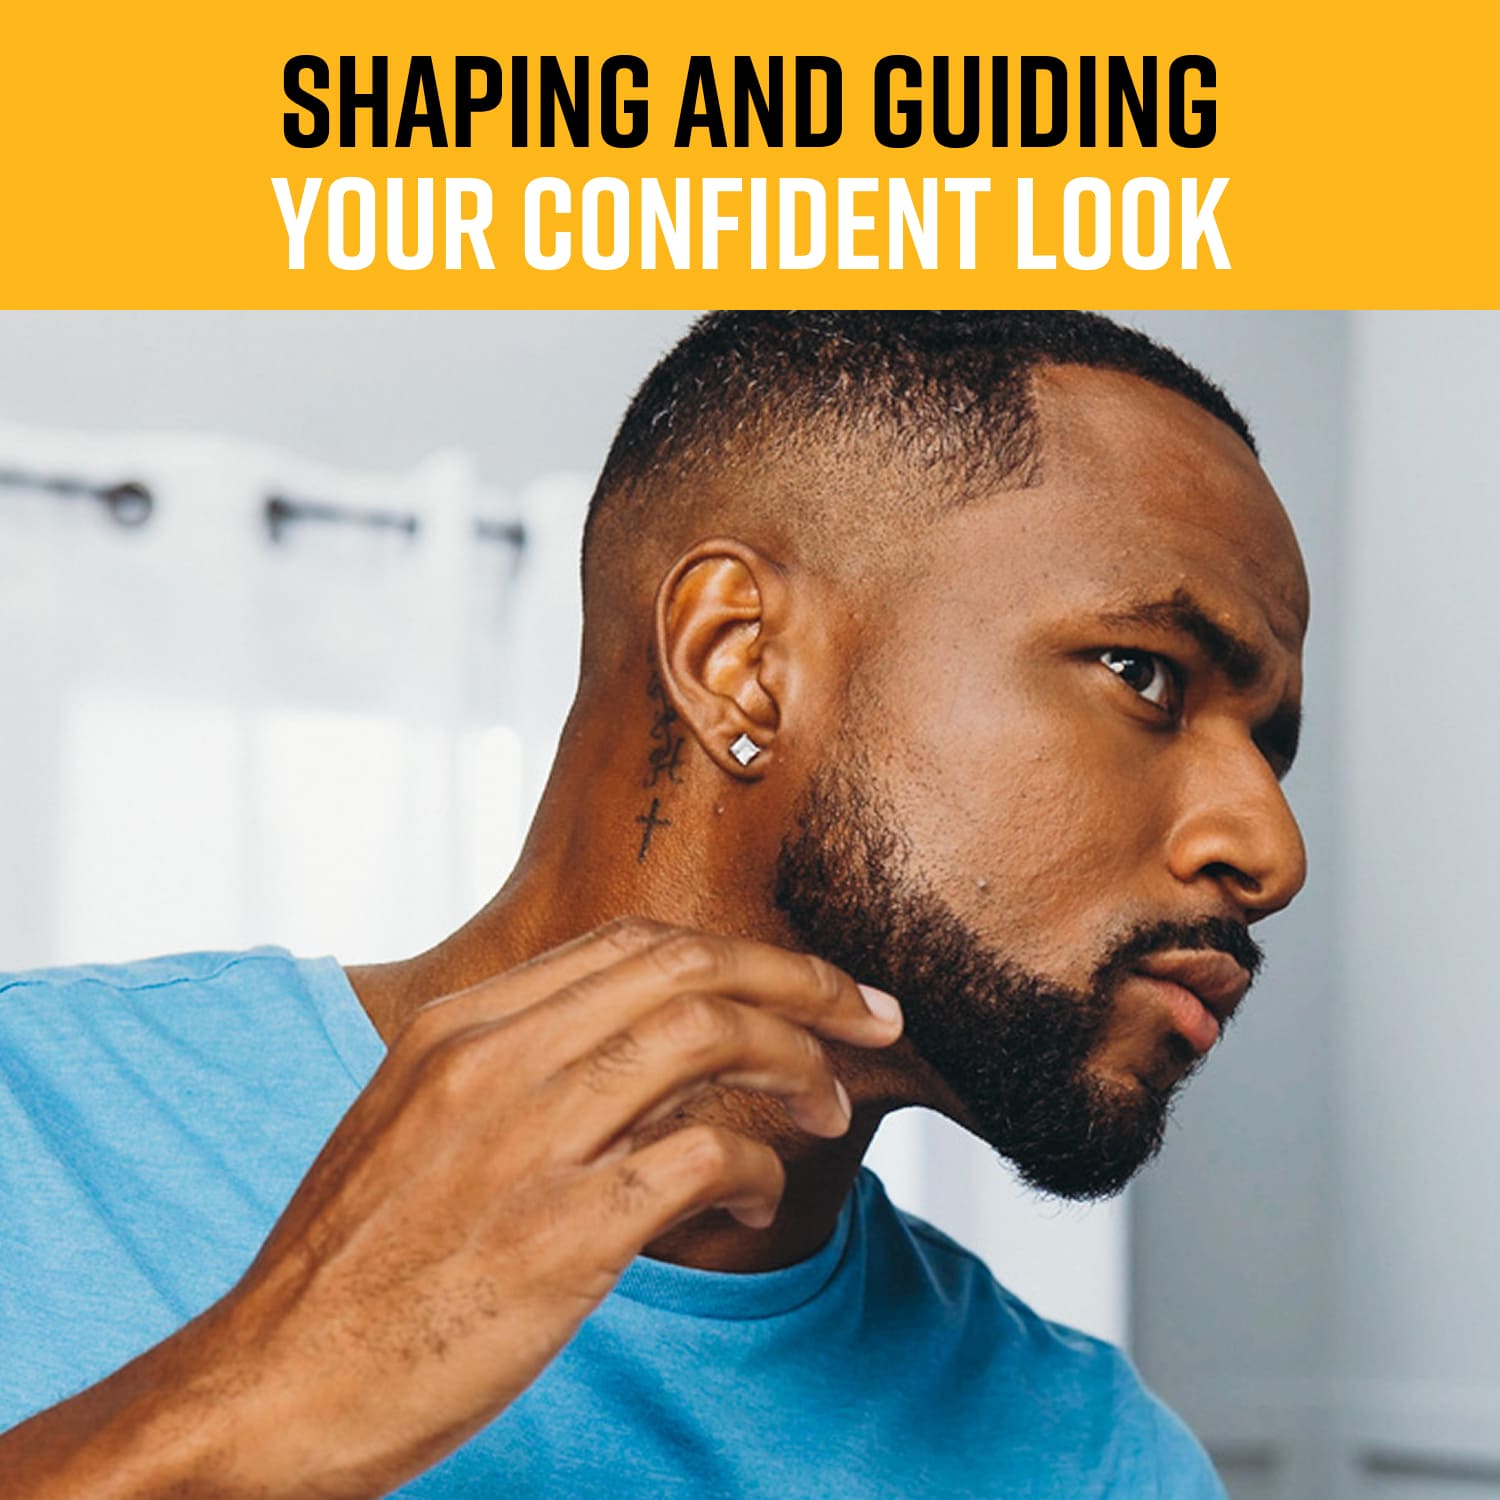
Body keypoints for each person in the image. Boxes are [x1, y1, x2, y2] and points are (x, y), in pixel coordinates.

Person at [0, 311, 1306, 1497]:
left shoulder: (1098, 1460)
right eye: (1145, 672)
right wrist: (250, 1409)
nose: (1271, 849)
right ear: (738, 666)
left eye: (1274, 746)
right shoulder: (29, 1117)